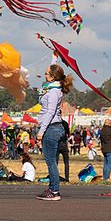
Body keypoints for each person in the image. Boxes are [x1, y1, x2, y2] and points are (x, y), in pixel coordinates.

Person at [35, 64, 70, 201]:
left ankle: (55, 191)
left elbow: (50, 113)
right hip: (54, 127)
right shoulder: (53, 87)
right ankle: (52, 187)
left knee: (51, 161)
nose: (44, 75)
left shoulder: (54, 92)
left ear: (53, 76)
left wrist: (41, 132)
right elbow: (53, 68)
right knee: (52, 160)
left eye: (46, 73)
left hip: (51, 127)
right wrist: (54, 56)